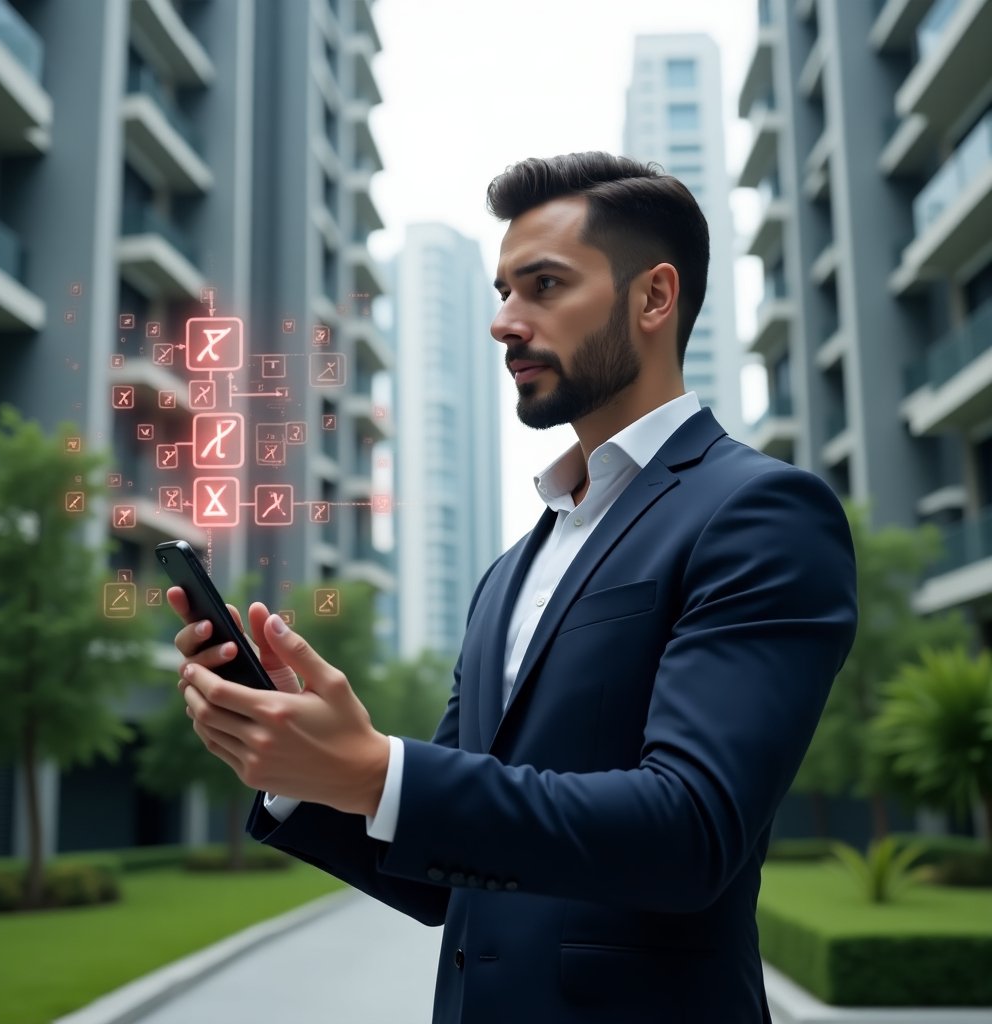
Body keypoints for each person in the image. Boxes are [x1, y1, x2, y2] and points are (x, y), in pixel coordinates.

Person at [169, 152, 858, 1024]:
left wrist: (381, 768)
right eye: (502, 291)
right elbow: (434, 874)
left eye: (542, 285)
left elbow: (692, 830)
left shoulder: (761, 511)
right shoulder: (508, 573)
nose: (504, 321)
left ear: (654, 298)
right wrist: (302, 770)